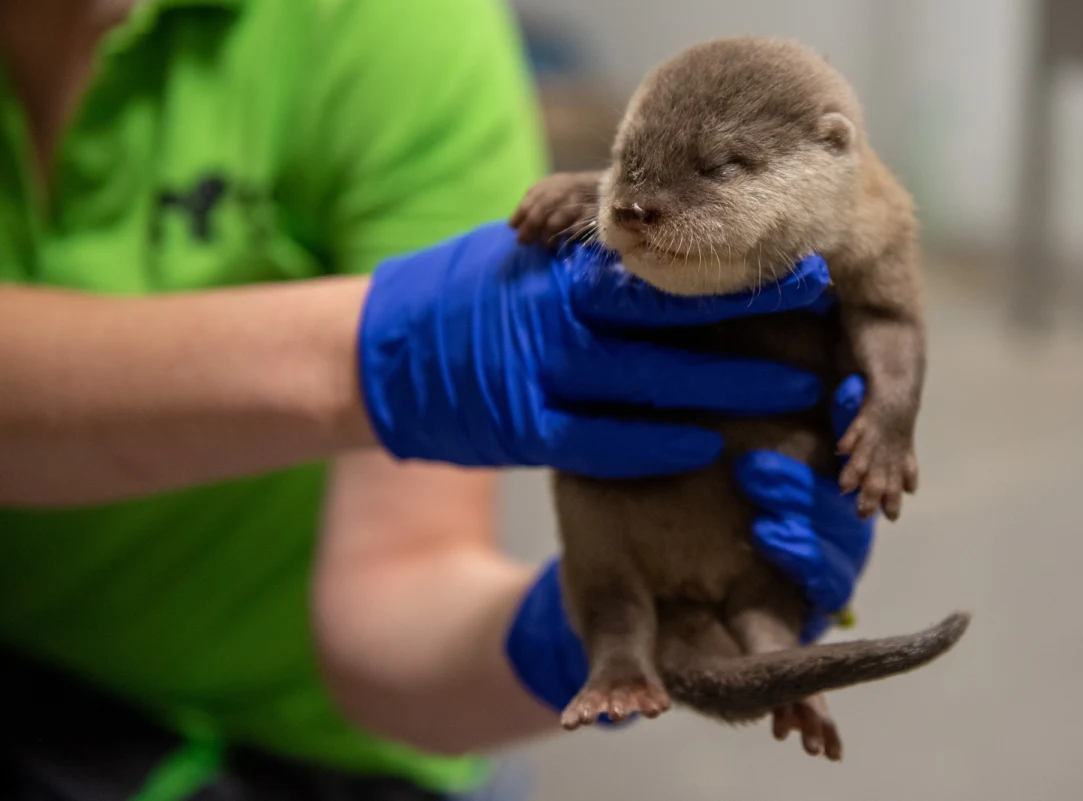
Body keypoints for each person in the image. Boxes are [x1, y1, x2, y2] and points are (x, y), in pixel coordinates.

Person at [0, 1, 876, 799]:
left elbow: (394, 598)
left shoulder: (396, 30)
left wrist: (572, 632)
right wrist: (360, 354)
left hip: (314, 736)